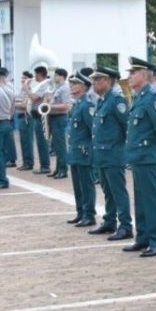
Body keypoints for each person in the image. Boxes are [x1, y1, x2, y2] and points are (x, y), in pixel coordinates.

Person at [122, 57, 156, 257]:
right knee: (141, 200)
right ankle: (143, 238)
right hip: (138, 155)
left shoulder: (152, 96)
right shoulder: (139, 96)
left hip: (148, 154)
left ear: (144, 75)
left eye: (133, 73)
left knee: (151, 200)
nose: (129, 76)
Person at [85, 67, 133, 241]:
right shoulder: (103, 100)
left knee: (118, 191)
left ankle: (126, 225)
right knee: (107, 191)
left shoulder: (116, 100)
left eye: (98, 80)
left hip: (114, 153)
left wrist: (126, 151)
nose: (94, 83)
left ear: (108, 81)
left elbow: (127, 126)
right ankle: (110, 220)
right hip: (102, 154)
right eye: (94, 80)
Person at [64, 73, 97, 227]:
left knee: (86, 184)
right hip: (75, 149)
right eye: (71, 84)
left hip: (84, 149)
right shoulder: (77, 104)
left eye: (75, 84)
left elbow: (93, 129)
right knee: (77, 184)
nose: (71, 86)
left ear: (84, 87)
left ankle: (89, 214)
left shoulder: (87, 105)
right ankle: (80, 212)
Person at [47, 68, 72, 179]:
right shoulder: (57, 88)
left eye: (56, 75)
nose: (54, 77)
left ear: (61, 76)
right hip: (53, 117)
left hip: (60, 117)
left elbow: (66, 106)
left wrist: (49, 106)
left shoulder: (64, 89)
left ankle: (63, 169)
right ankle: (58, 168)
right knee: (56, 145)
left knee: (60, 144)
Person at [27, 65, 53, 174]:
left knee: (42, 142)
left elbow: (34, 97)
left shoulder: (45, 84)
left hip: (41, 116)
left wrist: (26, 88)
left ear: (40, 74)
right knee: (40, 142)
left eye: (36, 74)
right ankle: (44, 164)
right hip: (36, 116)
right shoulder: (40, 85)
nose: (34, 76)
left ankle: (45, 166)